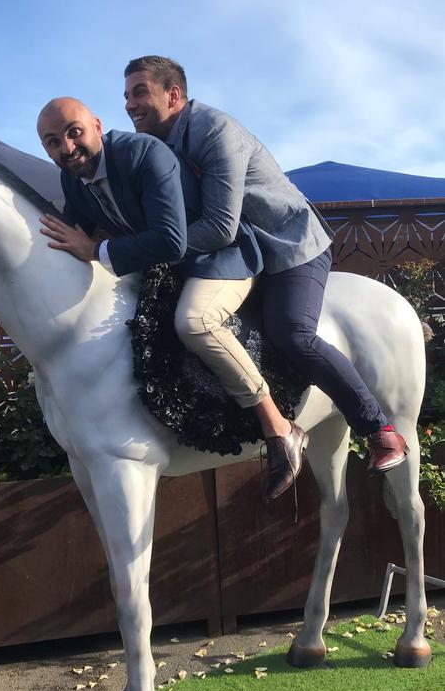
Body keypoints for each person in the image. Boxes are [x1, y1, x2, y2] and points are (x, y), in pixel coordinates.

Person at [122, 55, 407, 476]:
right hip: (241, 255)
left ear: (175, 94)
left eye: (139, 92)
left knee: (292, 334)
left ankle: (378, 428)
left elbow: (218, 226)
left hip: (289, 247)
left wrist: (145, 249)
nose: (129, 104)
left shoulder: (214, 131)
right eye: (126, 96)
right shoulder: (160, 145)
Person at [36, 97, 307, 499]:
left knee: (194, 323)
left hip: (218, 258)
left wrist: (95, 250)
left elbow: (170, 238)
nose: (67, 148)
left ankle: (279, 428)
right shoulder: (71, 178)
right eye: (53, 142)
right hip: (162, 269)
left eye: (74, 132)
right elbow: (78, 229)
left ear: (96, 124)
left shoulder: (143, 153)